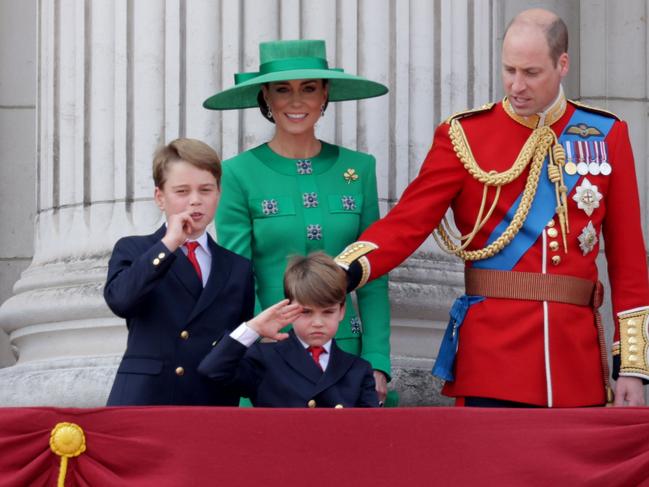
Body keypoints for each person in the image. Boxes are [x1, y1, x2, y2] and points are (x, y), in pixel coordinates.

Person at [335, 8, 649, 408]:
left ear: (562, 64)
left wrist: (633, 368)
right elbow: (406, 224)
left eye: (531, 73)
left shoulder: (606, 135)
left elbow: (629, 261)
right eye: (509, 70)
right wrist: (341, 271)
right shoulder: (464, 135)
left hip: (575, 365)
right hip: (492, 363)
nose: (516, 85)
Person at [203, 39, 394, 404]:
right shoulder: (238, 174)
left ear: (325, 94)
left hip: (345, 352)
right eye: (282, 90)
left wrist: (377, 359)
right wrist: (255, 348)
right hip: (271, 352)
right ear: (266, 97)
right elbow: (236, 281)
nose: (296, 101)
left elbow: (373, 273)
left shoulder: (360, 168)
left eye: (308, 88)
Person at [105, 138, 255, 406]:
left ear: (219, 193)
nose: (195, 201)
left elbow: (235, 344)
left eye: (206, 190)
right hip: (147, 398)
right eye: (182, 191)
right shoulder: (136, 249)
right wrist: (169, 244)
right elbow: (121, 300)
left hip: (210, 401)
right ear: (160, 197)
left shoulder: (237, 267)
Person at [198, 252, 379, 408]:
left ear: (341, 311)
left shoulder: (358, 370)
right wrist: (253, 328)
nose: (318, 322)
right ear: (288, 308)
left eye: (327, 312)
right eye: (306, 312)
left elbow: (369, 431)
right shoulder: (265, 358)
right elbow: (213, 370)